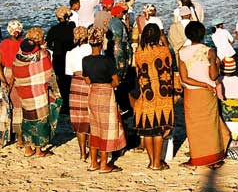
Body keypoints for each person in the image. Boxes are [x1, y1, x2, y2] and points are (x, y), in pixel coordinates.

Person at [178, 21, 230, 169]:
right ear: (202, 35)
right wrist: (215, 66)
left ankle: (197, 156)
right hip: (208, 93)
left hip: (191, 93)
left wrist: (202, 84)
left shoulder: (181, 52)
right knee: (211, 124)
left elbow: (184, 78)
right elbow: (213, 76)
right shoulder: (209, 51)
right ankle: (215, 157)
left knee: (194, 126)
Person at [83, 27, 126, 173]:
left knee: (95, 128)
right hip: (106, 94)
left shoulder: (86, 60)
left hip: (93, 94)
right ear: (101, 43)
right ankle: (103, 165)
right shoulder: (107, 61)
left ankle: (93, 162)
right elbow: (116, 81)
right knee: (106, 129)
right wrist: (108, 85)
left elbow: (87, 80)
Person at [134, 23, 175, 171]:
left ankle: (152, 161)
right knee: (159, 129)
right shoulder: (163, 51)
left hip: (146, 92)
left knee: (148, 129)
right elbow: (170, 64)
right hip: (162, 94)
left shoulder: (139, 52)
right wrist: (164, 40)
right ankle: (157, 163)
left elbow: (138, 70)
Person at [12, 31, 59, 158]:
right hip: (37, 94)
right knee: (40, 121)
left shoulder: (17, 57)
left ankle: (28, 148)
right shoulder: (42, 55)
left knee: (27, 120)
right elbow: (49, 73)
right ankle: (39, 150)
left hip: (23, 93)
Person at [0, 20, 24, 146]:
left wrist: (3, 80)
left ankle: (4, 137)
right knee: (19, 107)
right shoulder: (24, 43)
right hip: (21, 75)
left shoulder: (3, 44)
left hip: (6, 74)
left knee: (6, 106)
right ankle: (20, 139)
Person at [65, 26, 91, 162]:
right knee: (90, 116)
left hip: (75, 83)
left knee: (78, 118)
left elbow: (69, 73)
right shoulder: (92, 49)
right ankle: (92, 149)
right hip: (89, 82)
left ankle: (82, 153)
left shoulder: (70, 53)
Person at [46, 6, 75, 113]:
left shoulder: (54, 29)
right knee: (69, 80)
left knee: (61, 81)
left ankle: (65, 104)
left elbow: (48, 43)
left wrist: (54, 48)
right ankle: (70, 102)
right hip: (70, 56)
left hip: (58, 56)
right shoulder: (72, 26)